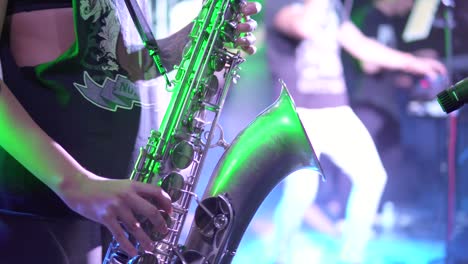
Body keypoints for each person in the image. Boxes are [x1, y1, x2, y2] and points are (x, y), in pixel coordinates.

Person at [0, 0, 260, 263]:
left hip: (119, 209)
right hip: (40, 214)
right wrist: (76, 183)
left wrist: (196, 41)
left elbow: (117, 61)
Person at [264, 0, 446, 263]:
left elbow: (361, 46)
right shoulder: (282, 4)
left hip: (336, 110)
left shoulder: (334, 8)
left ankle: (352, 257)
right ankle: (279, 256)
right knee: (301, 192)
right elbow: (304, 27)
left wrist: (412, 63)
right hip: (298, 113)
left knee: (372, 177)